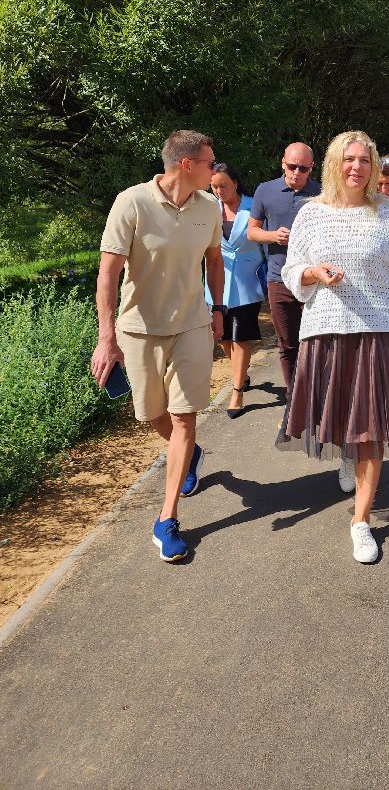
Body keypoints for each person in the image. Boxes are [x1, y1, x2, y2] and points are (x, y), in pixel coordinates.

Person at [279, 131, 389, 564]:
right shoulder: (311, 214)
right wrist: (312, 272)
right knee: (345, 418)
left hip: (380, 333)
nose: (358, 167)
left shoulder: (388, 216)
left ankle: (360, 522)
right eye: (350, 159)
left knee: (373, 428)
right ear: (334, 163)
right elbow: (292, 271)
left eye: (366, 160)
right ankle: (347, 453)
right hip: (326, 331)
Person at [90, 130, 225, 563]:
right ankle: (190, 455)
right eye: (209, 161)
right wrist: (106, 338)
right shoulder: (132, 202)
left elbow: (214, 258)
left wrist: (217, 307)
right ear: (186, 164)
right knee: (150, 413)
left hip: (191, 326)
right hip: (139, 329)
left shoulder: (209, 206)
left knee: (185, 418)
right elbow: (107, 274)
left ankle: (166, 520)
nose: (215, 167)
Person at [247, 143, 320, 401]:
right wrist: (273, 236)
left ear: (311, 167)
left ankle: (319, 395)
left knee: (317, 342)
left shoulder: (322, 193)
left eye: (303, 168)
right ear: (282, 163)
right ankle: (295, 398)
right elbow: (252, 231)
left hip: (315, 280)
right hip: (279, 279)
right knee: (287, 343)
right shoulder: (265, 190)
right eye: (292, 166)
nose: (296, 172)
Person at [207, 163, 265, 418]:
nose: (219, 191)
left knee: (240, 336)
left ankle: (237, 390)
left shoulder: (253, 205)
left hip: (246, 281)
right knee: (222, 337)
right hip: (215, 283)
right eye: (214, 186)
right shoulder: (207, 208)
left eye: (224, 186)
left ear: (236, 183)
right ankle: (241, 373)